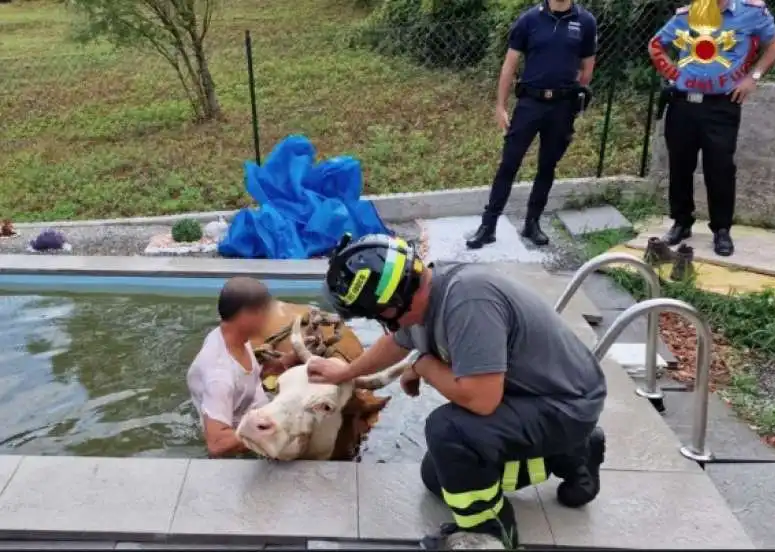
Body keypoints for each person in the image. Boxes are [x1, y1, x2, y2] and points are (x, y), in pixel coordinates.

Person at [308, 234, 607, 550]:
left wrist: (423, 366)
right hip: (537, 395)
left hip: (566, 404)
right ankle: (572, 454)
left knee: (449, 430)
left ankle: (489, 534)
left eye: (379, 318)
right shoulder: (422, 292)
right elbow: (396, 342)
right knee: (439, 476)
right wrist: (345, 373)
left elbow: (481, 400)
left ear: (394, 304)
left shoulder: (468, 302)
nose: (386, 326)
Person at [648, 0, 775, 256]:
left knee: (720, 168)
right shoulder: (687, 15)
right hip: (683, 103)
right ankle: (681, 223)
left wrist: (752, 78)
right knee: (680, 165)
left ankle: (722, 230)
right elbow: (656, 45)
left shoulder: (750, 13)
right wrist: (672, 72)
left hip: (722, 106)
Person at [467, 0, 598, 250]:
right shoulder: (529, 20)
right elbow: (510, 65)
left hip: (561, 107)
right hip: (530, 104)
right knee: (509, 164)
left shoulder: (586, 22)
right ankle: (488, 226)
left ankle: (532, 223)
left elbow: (587, 69)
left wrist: (571, 98)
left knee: (547, 166)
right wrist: (500, 106)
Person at [187, 277, 298, 458]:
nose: (269, 319)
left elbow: (244, 380)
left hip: (255, 412)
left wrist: (283, 363)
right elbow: (217, 444)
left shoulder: (233, 338)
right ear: (246, 316)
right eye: (265, 313)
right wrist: (274, 427)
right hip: (240, 438)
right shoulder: (219, 377)